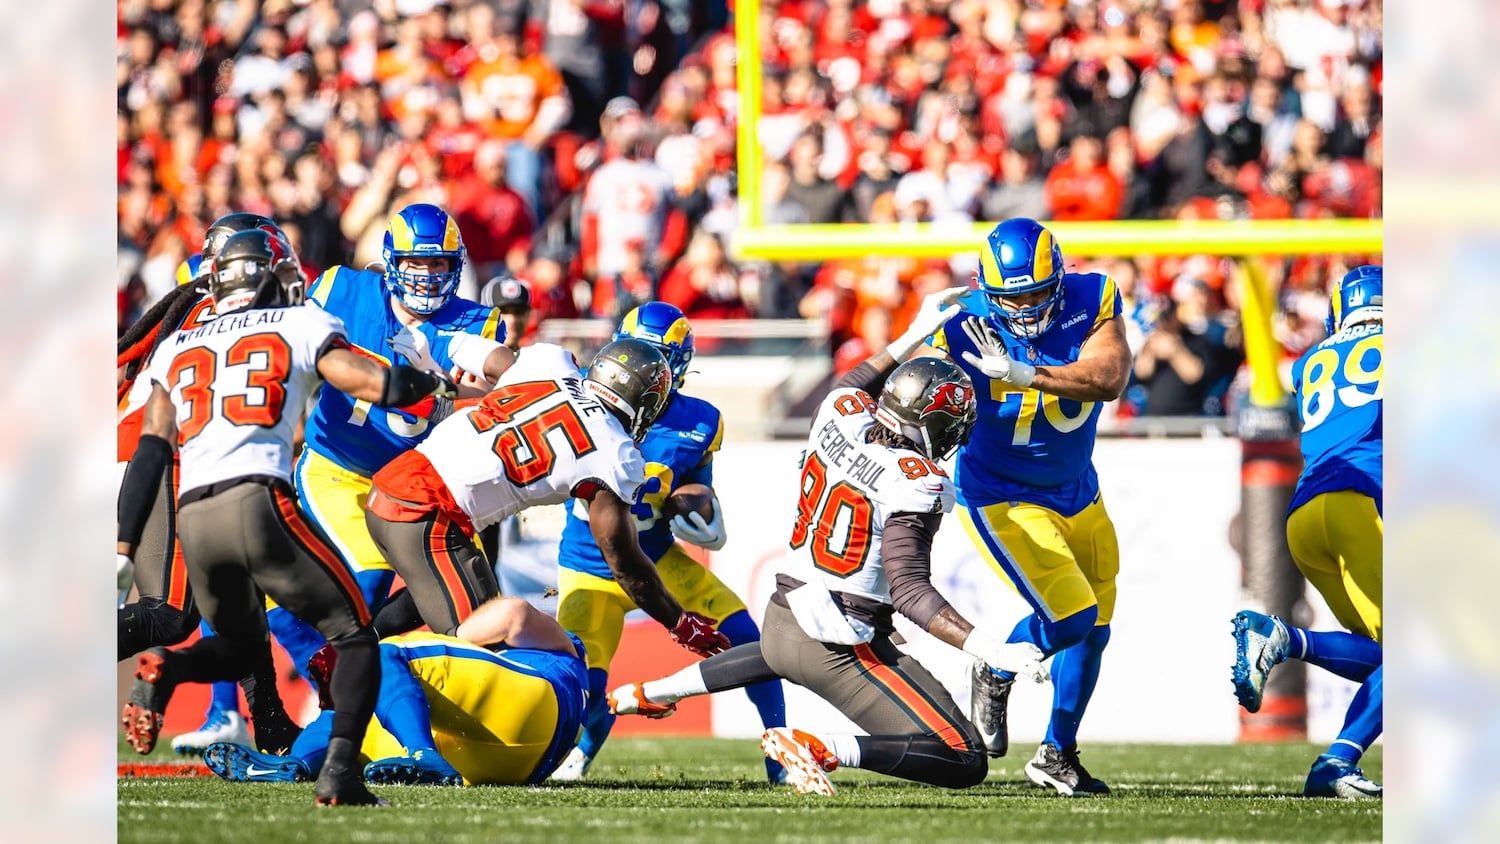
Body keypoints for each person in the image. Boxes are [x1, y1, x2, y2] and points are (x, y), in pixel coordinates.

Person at [608, 288, 1048, 795]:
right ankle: (820, 746)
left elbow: (855, 381)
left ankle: (651, 691)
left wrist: (912, 333)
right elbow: (908, 590)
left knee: (776, 652)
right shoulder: (916, 481)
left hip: (783, 612)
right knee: (963, 755)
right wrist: (991, 649)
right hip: (836, 640)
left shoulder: (841, 412)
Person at [117, 228, 459, 806]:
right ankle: (342, 774)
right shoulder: (295, 321)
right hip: (256, 501)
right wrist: (433, 380)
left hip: (194, 513)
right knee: (355, 636)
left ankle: (170, 672)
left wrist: (125, 547)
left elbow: (152, 449)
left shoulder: (180, 344)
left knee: (240, 641)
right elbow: (376, 385)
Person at [360, 339, 731, 666]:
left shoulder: (550, 363)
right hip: (429, 515)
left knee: (442, 593)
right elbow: (624, 561)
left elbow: (463, 346)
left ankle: (349, 652)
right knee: (485, 650)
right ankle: (373, 680)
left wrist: (457, 379)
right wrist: (678, 622)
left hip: (392, 485)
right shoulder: (615, 453)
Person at [922, 218, 1132, 796]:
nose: (1027, 309)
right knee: (1071, 617)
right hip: (1000, 493)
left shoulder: (1092, 297)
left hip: (1076, 487)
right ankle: (996, 662)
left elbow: (1110, 376)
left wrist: (1025, 373)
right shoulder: (959, 323)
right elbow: (914, 399)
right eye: (1013, 298)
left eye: (1038, 294)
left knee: (1097, 627)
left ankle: (1057, 753)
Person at [268, 202, 513, 684]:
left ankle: (331, 672)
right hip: (335, 465)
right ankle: (333, 686)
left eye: (437, 263)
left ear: (454, 265)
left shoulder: (475, 323)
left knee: (436, 589)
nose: (425, 275)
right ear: (391, 263)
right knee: (370, 577)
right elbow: (287, 345)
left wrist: (445, 383)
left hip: (410, 484)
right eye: (416, 263)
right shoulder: (345, 289)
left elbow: (485, 391)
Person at [549, 303, 786, 783]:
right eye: (636, 357)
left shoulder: (699, 420)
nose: (643, 372)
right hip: (587, 565)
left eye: (656, 359)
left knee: (752, 643)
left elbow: (697, 484)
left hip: (656, 558)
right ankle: (580, 755)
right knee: (587, 684)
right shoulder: (581, 403)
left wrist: (702, 507)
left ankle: (780, 750)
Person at [117, 212, 300, 757]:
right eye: (266, 264)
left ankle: (268, 722)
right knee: (171, 613)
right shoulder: (230, 315)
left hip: (163, 453)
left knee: (239, 591)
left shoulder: (195, 308)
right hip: (158, 455)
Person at [1232, 265, 1383, 800]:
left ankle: (1285, 638)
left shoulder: (1313, 361)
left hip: (1304, 514)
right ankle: (1337, 761)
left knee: (1385, 653)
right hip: (1364, 503)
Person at [202, 597, 591, 787]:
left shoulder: (561, 648)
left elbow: (515, 613)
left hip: (530, 706)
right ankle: (299, 766)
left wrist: (454, 635)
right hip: (511, 764)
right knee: (355, 703)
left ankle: (424, 754)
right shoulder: (574, 677)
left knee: (380, 656)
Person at [479, 272, 533, 354]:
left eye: (519, 311)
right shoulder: (466, 360)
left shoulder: (534, 360)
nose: (512, 320)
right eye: (503, 311)